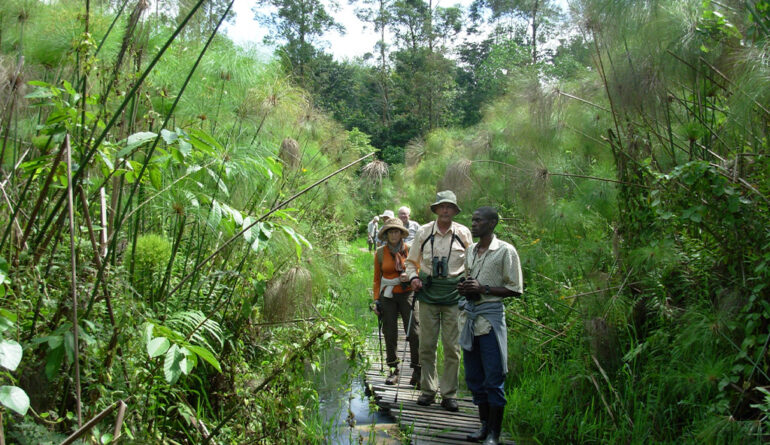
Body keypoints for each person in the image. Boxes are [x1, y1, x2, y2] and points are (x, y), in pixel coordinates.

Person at [457, 207, 522, 445]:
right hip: (471, 320)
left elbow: (515, 289)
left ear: (492, 223)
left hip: (491, 322)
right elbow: (470, 279)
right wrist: (465, 288)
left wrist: (483, 289)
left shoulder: (505, 251)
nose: (473, 224)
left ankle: (495, 433)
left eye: (478, 220)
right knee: (474, 377)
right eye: (472, 220)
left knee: (493, 377)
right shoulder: (471, 251)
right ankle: (483, 427)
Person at [405, 190, 472, 412]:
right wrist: (414, 278)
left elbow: (472, 265)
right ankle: (427, 390)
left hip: (455, 296)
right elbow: (410, 262)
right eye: (441, 206)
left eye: (449, 207)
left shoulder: (463, 233)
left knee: (452, 347)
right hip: (427, 293)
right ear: (436, 209)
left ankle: (449, 394)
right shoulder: (424, 232)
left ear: (454, 210)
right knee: (427, 344)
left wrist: (470, 286)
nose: (445, 210)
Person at [372, 218, 421, 386]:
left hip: (407, 294)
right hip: (387, 296)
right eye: (391, 231)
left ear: (401, 233)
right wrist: (376, 300)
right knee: (390, 332)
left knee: (414, 332)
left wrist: (410, 276)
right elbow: (377, 279)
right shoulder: (379, 253)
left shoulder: (410, 251)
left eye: (396, 231)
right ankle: (393, 370)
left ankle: (417, 370)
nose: (394, 234)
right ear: (386, 234)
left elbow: (418, 270)